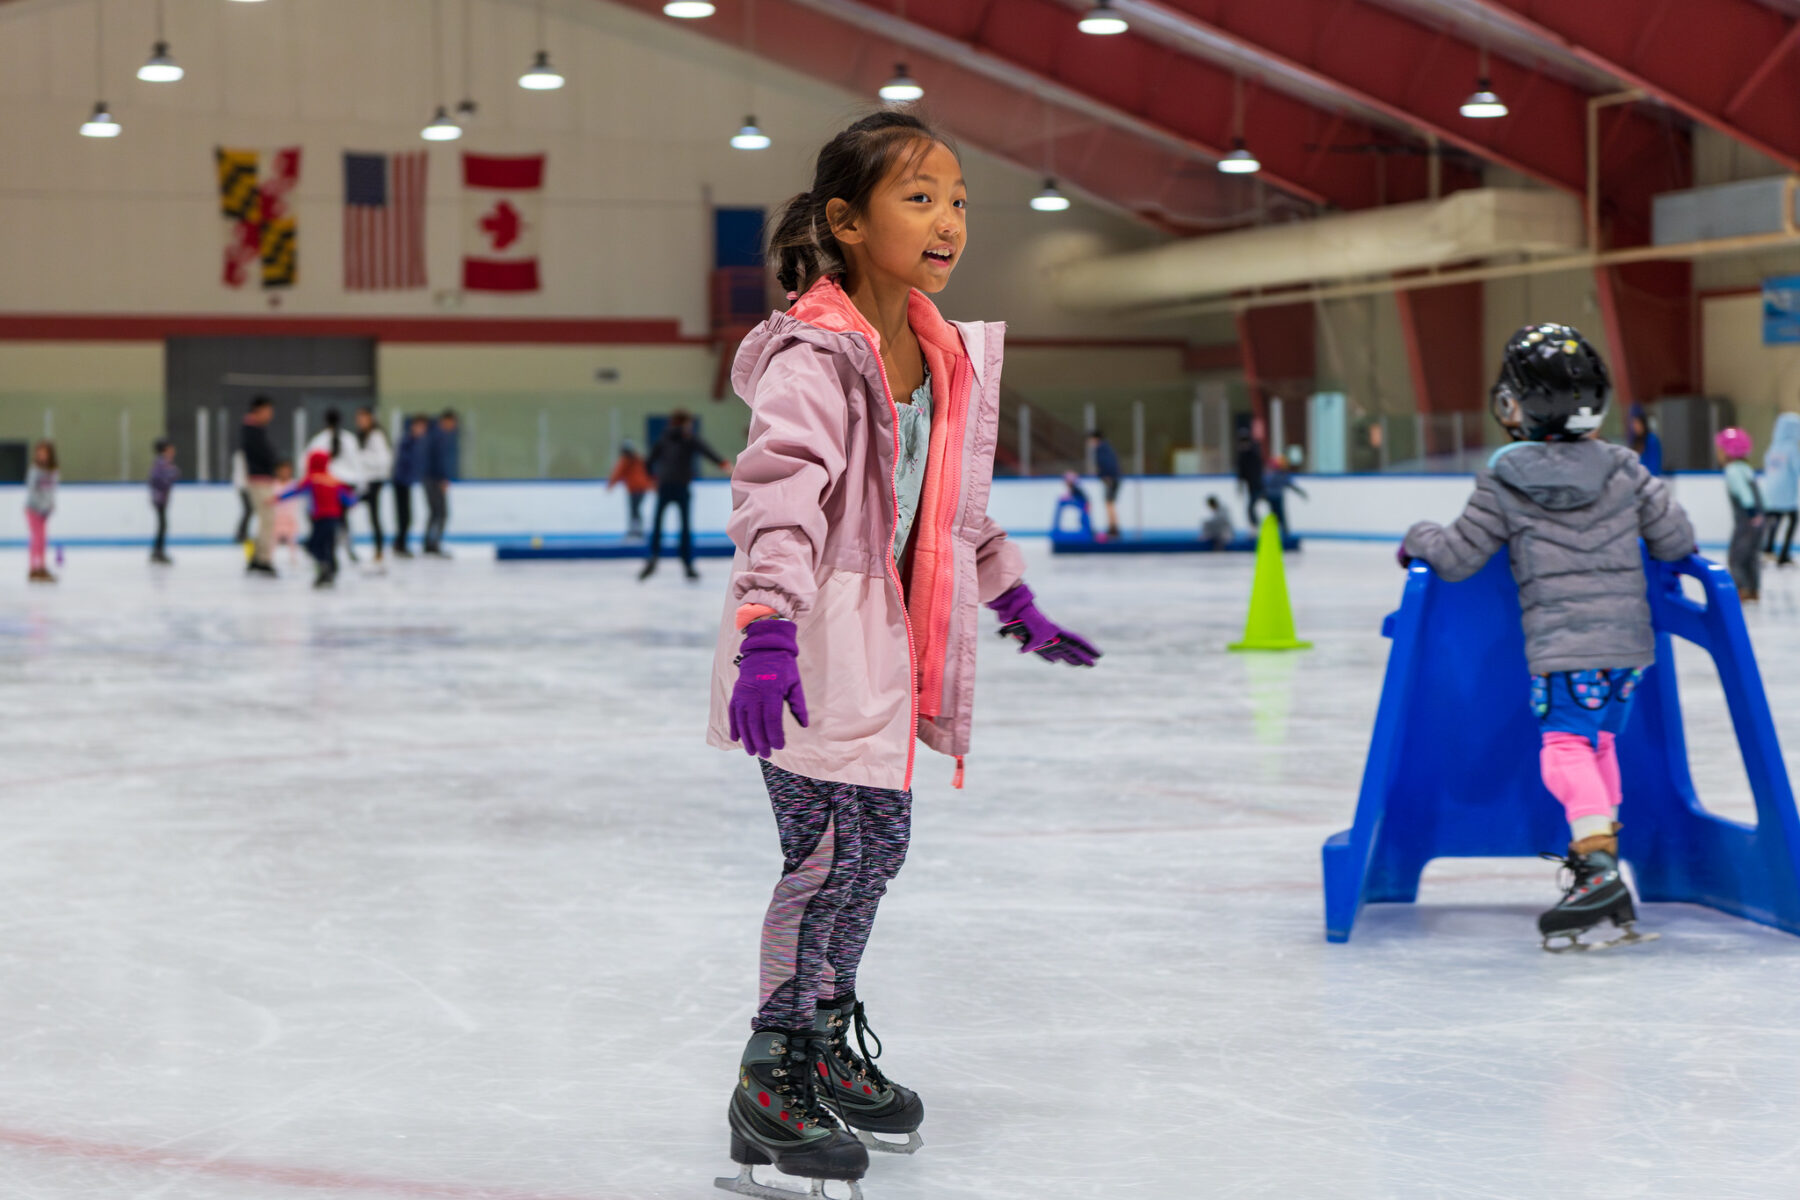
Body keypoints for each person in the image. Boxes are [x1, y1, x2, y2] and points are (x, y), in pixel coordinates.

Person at [706, 111, 1102, 1199]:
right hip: (807, 640)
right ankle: (769, 1069)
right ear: (846, 220)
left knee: (877, 852)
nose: (949, 220)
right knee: (825, 859)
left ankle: (825, 1033)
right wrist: (766, 630)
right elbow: (776, 496)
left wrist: (1014, 599)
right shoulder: (813, 355)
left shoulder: (937, 352)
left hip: (888, 636)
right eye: (919, 198)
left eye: (960, 199)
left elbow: (951, 513)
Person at [1398, 323, 1694, 952]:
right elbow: (1677, 542)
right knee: (1602, 741)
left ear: (1519, 405)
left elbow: (1453, 557)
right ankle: (1605, 866)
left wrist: (1417, 537)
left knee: (1564, 748)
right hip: (1628, 654)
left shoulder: (1504, 479)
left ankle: (1595, 870)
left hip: (1565, 654)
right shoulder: (1627, 469)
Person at [640, 410, 728, 581]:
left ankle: (654, 559)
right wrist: (722, 463)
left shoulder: (665, 438)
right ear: (683, 423)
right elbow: (706, 450)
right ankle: (686, 565)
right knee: (684, 528)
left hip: (666, 486)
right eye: (688, 423)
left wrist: (652, 477)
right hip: (679, 487)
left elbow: (649, 461)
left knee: (660, 525)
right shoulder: (688, 439)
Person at [280, 449, 357, 589]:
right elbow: (348, 498)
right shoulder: (333, 480)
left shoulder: (312, 478)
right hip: (334, 519)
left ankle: (325, 568)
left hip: (320, 519)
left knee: (313, 546)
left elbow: (295, 491)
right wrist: (353, 502)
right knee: (328, 545)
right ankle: (328, 571)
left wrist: (277, 498)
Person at [307, 408, 363, 565]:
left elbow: (309, 465)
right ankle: (346, 549)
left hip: (324, 486)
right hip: (345, 484)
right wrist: (359, 487)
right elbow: (357, 465)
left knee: (325, 522)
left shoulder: (318, 440)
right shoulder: (349, 439)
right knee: (342, 521)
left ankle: (328, 552)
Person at [1718, 426, 1763, 603]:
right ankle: (1753, 589)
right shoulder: (1745, 468)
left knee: (1737, 555)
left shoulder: (1732, 471)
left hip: (1747, 518)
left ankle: (1741, 588)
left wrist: (1752, 514)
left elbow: (1745, 494)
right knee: (1752, 555)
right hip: (1758, 518)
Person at [241, 396, 280, 576]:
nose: (270, 415)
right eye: (268, 410)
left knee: (265, 520)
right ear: (259, 410)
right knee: (268, 520)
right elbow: (263, 454)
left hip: (260, 479)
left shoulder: (255, 429)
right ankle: (263, 559)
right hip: (260, 480)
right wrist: (274, 464)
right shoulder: (252, 429)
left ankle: (257, 557)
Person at [351, 406, 394, 565]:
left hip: (374, 481)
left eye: (364, 418)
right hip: (363, 481)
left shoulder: (376, 436)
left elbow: (384, 460)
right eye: (358, 418)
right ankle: (350, 548)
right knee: (366, 514)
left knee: (374, 516)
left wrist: (362, 457)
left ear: (371, 418)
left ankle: (379, 550)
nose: (360, 421)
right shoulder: (362, 436)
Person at [1761, 412, 1799, 567]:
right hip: (1786, 494)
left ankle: (1768, 550)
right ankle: (1783, 555)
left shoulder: (1773, 446)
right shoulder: (1791, 448)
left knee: (1773, 522)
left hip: (1771, 493)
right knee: (1792, 519)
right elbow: (1797, 468)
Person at [423, 410, 459, 558]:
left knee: (434, 513)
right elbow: (438, 460)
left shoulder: (434, 435)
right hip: (434, 479)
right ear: (446, 420)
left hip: (430, 478)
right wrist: (442, 479)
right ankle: (433, 544)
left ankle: (429, 543)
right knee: (441, 513)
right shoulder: (440, 436)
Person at [391, 414, 428, 558]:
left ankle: (400, 543)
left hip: (406, 482)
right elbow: (405, 460)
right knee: (404, 516)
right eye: (420, 426)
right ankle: (400, 544)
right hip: (401, 482)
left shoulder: (417, 442)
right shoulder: (407, 441)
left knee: (407, 516)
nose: (422, 430)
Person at [24, 439, 57, 583]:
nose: (42, 456)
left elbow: (51, 490)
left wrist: (50, 505)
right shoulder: (34, 470)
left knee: (43, 539)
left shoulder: (52, 471)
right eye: (39, 453)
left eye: (44, 453)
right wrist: (39, 506)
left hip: (44, 511)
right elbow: (32, 490)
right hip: (33, 509)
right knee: (36, 539)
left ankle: (42, 567)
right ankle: (33, 568)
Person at [606, 440, 654, 539]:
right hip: (639, 488)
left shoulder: (629, 460)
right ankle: (636, 529)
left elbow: (618, 473)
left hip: (636, 488)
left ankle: (635, 530)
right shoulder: (638, 459)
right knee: (635, 509)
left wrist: (611, 485)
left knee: (634, 509)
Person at [1263, 447, 1309, 540]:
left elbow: (1265, 485)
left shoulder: (1272, 475)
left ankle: (1279, 533)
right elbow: (1291, 485)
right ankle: (1283, 533)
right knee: (1280, 516)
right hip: (1276, 497)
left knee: (1275, 516)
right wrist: (1301, 493)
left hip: (1272, 497)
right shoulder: (1280, 476)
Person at [148, 438, 179, 565]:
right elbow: (156, 479)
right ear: (166, 449)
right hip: (159, 499)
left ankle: (157, 551)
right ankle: (157, 551)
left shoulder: (163, 462)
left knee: (162, 525)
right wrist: (172, 474)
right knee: (162, 525)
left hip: (161, 498)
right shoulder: (161, 462)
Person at [1086, 430, 1122, 537]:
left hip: (1111, 479)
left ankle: (1113, 528)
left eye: (1091, 440)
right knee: (1109, 503)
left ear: (1095, 439)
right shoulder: (1105, 448)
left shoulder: (1101, 449)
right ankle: (1113, 527)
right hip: (1112, 478)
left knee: (1109, 503)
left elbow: (1107, 463)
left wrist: (1106, 476)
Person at [271, 459, 302, 566]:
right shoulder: (273, 484)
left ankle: (294, 559)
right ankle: (269, 558)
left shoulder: (294, 484)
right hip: (277, 518)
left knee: (292, 540)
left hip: (291, 518)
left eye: (287, 470)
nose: (285, 472)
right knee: (272, 540)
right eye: (282, 470)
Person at [1235, 429, 1267, 527]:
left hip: (1258, 486)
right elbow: (1242, 473)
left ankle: (1258, 525)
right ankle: (1256, 525)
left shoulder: (1252, 455)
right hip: (1253, 486)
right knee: (1251, 508)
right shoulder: (1243, 456)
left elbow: (1256, 471)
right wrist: (1240, 484)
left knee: (1252, 508)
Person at [1054, 471, 1093, 539]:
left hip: (1084, 505)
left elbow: (1072, 497)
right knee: (1082, 519)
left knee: (1084, 520)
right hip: (1084, 504)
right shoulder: (1074, 488)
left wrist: (1065, 499)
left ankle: (1090, 534)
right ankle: (1090, 533)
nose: (1065, 483)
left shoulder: (1075, 488)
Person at [1627, 404, 1663, 476]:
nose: (1635, 426)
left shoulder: (1651, 440)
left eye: (1637, 423)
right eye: (1633, 423)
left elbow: (1654, 466)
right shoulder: (1636, 441)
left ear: (1643, 422)